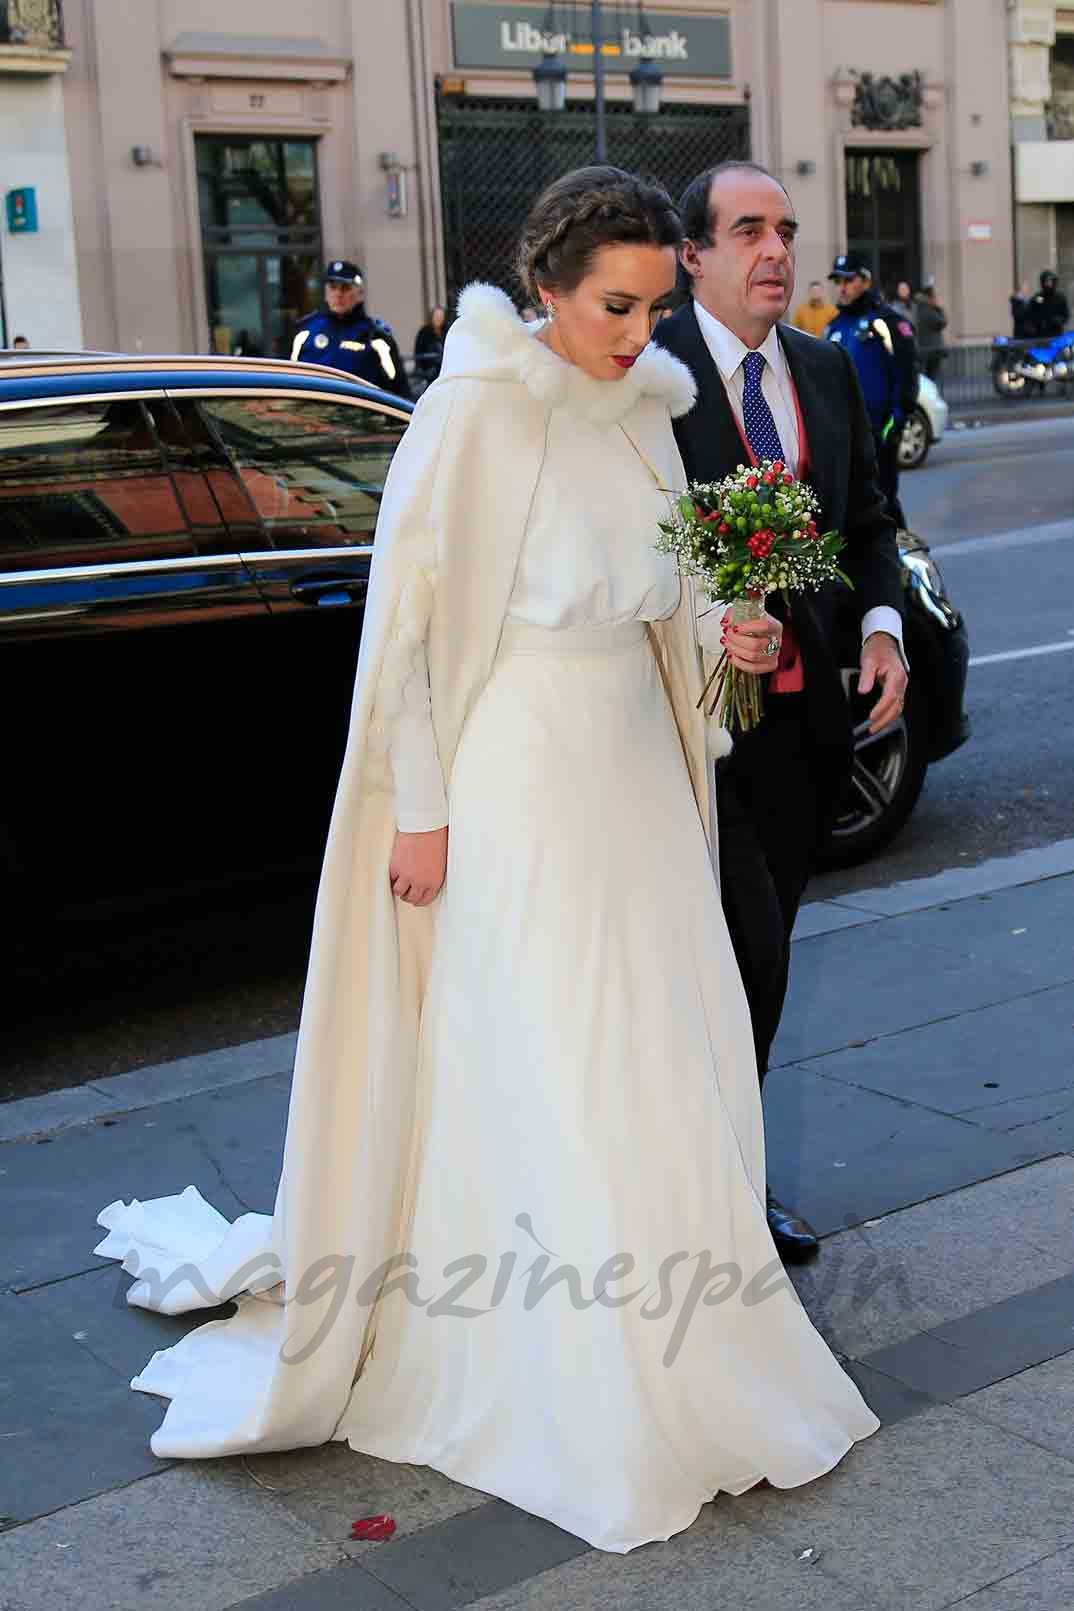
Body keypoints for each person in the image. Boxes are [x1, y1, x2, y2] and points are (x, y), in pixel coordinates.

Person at [93, 164, 878, 1554]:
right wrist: (420, 806)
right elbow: (407, 630)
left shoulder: (647, 413)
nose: (635, 333)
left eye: (649, 304)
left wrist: (728, 635)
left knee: (653, 1043)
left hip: (636, 771)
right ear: (547, 291)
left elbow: (667, 596)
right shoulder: (465, 417)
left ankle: (682, 1326)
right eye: (611, 305)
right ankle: (561, 1359)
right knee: (553, 1049)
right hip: (515, 773)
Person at [654, 162, 908, 1263]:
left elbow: (869, 522)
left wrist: (884, 628)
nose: (775, 251)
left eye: (786, 230)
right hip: (694, 742)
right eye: (747, 229)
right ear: (692, 255)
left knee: (766, 958)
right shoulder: (647, 380)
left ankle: (718, 1184)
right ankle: (721, 1198)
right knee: (740, 961)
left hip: (809, 735)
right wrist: (710, 625)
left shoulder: (825, 368)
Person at [825, 252, 918, 528]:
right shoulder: (834, 327)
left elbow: (906, 378)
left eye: (848, 280)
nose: (842, 287)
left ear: (865, 280)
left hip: (878, 435)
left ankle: (900, 567)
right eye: (837, 281)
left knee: (884, 506)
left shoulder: (887, 323)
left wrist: (892, 427)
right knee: (851, 512)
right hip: (844, 439)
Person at [291, 259, 412, 399]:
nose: (338, 294)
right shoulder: (306, 332)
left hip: (359, 418)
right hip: (312, 417)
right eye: (333, 287)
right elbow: (287, 381)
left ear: (360, 294)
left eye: (345, 288)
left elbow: (398, 393)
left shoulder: (376, 338)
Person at [914, 283, 948, 387]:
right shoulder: (927, 310)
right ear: (929, 297)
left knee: (928, 378)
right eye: (934, 296)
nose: (936, 299)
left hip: (925, 349)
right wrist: (939, 308)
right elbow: (942, 322)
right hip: (932, 350)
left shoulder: (920, 308)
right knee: (931, 378)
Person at [1024, 270, 1070, 338]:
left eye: (1050, 281)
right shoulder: (1038, 298)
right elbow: (1030, 311)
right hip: (1040, 333)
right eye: (1046, 281)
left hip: (1055, 332)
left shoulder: (1060, 298)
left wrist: (1059, 320)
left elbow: (1066, 315)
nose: (1048, 284)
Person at [413, 303, 447, 387]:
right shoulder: (424, 332)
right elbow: (418, 352)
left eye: (441, 317)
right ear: (432, 317)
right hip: (429, 370)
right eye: (436, 317)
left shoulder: (446, 330)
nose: (439, 319)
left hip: (444, 368)